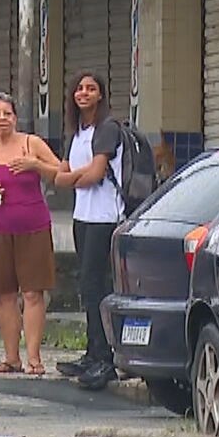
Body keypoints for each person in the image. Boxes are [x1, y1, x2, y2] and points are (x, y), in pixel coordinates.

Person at [0, 92, 63, 376]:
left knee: (33, 293)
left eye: (7, 113)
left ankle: (34, 358)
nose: (2, 119)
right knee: (5, 294)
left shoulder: (32, 143)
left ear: (16, 118)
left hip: (34, 227)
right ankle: (11, 358)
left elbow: (61, 172)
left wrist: (36, 165)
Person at [54, 71, 124, 391]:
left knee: (98, 286)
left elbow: (95, 174)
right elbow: (60, 176)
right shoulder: (77, 133)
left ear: (101, 95)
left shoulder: (107, 128)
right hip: (82, 217)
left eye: (91, 88)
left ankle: (106, 359)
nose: (84, 93)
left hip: (105, 218)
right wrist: (74, 177)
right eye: (79, 88)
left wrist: (72, 177)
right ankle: (92, 351)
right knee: (87, 285)